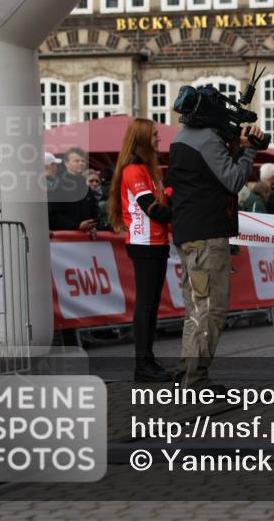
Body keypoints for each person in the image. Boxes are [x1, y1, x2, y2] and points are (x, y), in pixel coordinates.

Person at [166, 114, 264, 390]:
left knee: (196, 309)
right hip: (206, 236)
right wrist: (248, 151)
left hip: (188, 235)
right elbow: (233, 181)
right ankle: (194, 379)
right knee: (211, 309)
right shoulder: (208, 140)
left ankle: (186, 374)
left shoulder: (181, 138)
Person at [107, 119, 173, 383]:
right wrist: (186, 212)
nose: (159, 139)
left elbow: (162, 202)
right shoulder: (134, 170)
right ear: (144, 139)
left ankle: (147, 359)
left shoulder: (148, 169)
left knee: (152, 304)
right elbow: (153, 209)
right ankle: (142, 364)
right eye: (155, 135)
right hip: (144, 243)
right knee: (146, 305)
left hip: (156, 242)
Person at [48, 147, 98, 233]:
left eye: (83, 161)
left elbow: (94, 210)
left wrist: (93, 225)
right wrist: (76, 226)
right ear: (66, 163)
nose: (81, 163)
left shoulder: (85, 184)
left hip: (86, 238)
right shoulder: (59, 185)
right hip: (66, 239)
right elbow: (53, 215)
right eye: (76, 161)